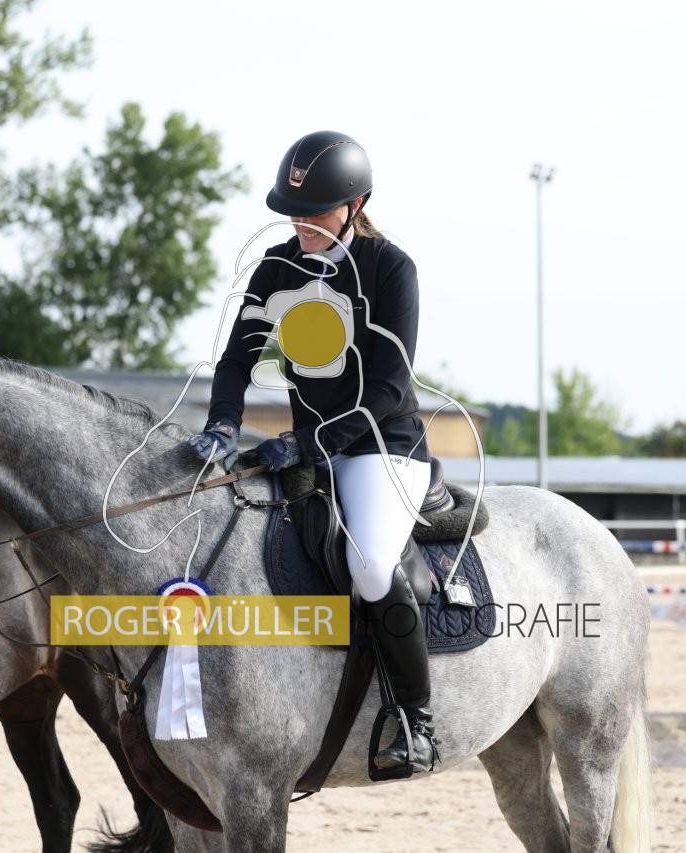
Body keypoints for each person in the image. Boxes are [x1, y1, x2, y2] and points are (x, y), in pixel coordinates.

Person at [188, 131, 438, 772]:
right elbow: (237, 360)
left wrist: (308, 441)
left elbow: (389, 388)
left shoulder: (390, 269)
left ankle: (416, 722)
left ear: (356, 206)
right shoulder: (276, 269)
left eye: (316, 212)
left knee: (372, 567)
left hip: (382, 449)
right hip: (306, 451)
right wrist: (223, 426)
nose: (301, 223)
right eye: (293, 212)